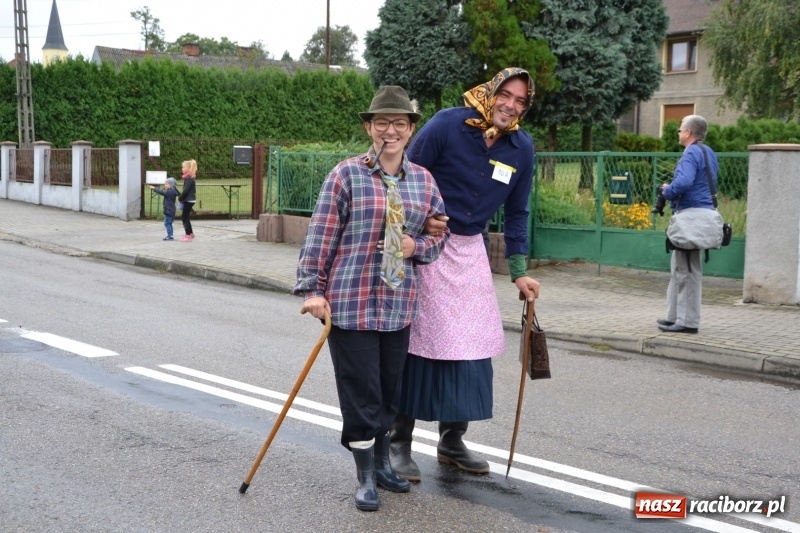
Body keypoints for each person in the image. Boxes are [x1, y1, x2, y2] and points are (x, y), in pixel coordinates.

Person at [293, 85, 447, 512]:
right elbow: (321, 234)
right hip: (351, 301)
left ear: (411, 129)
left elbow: (439, 234)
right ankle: (364, 475)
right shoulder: (346, 175)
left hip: (398, 304)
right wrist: (312, 289)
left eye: (400, 123)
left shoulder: (423, 181)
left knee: (388, 391)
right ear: (369, 127)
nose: (390, 131)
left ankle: (382, 463)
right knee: (360, 391)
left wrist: (418, 246)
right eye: (382, 123)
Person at [389, 67, 542, 482]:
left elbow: (517, 212)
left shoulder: (521, 149)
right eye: (505, 95)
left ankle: (452, 441)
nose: (510, 105)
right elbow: (405, 176)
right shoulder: (447, 125)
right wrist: (422, 219)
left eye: (520, 101)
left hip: (471, 250)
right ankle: (397, 440)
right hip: (425, 244)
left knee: (470, 344)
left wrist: (519, 272)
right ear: (490, 93)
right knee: (421, 341)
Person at [656, 115, 719, 334]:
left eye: (681, 129)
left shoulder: (691, 152)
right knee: (680, 268)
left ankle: (687, 322)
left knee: (687, 271)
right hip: (704, 214)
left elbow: (683, 183)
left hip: (691, 216)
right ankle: (674, 316)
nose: (679, 133)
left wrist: (667, 191)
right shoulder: (708, 152)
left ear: (689, 133)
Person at [177, 159, 197, 241]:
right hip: (190, 200)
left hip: (189, 200)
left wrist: (180, 198)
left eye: (183, 167)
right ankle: (191, 233)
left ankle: (188, 235)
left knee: (184, 218)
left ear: (189, 168)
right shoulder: (189, 177)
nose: (182, 169)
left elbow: (186, 190)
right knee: (186, 217)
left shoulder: (189, 178)